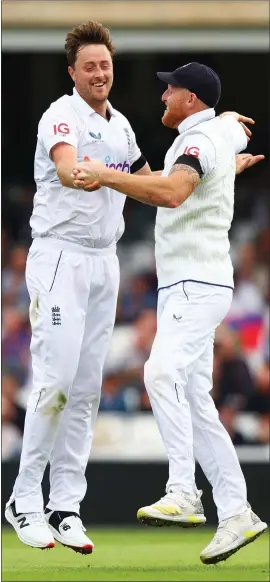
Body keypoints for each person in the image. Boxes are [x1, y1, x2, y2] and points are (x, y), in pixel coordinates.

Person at [73, 62, 267, 564]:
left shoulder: (199, 141)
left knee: (159, 373)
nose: (163, 97)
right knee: (197, 403)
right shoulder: (215, 133)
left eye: (171, 90)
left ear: (193, 99)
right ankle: (238, 512)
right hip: (192, 284)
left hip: (196, 285)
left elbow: (174, 190)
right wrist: (232, 157)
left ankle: (183, 490)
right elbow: (210, 160)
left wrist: (103, 174)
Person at [5, 21, 152, 553]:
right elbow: (70, 173)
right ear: (72, 72)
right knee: (57, 379)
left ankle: (65, 506)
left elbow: (152, 182)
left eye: (105, 65)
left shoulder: (124, 126)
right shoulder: (60, 116)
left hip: (103, 261)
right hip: (60, 256)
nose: (98, 74)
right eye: (89, 66)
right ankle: (24, 500)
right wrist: (108, 175)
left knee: (87, 389)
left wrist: (212, 168)